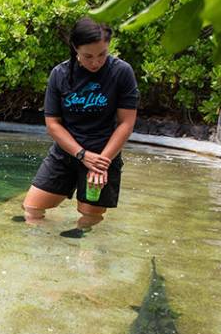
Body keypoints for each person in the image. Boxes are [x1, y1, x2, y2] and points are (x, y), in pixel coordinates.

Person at [21, 17, 139, 238]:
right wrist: (82, 154)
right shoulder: (60, 74)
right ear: (75, 48)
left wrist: (102, 162)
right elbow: (53, 124)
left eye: (102, 54)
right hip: (66, 152)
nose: (96, 62)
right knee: (31, 209)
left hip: (104, 156)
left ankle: (83, 260)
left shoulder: (121, 72)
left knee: (88, 220)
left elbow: (126, 123)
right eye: (88, 56)